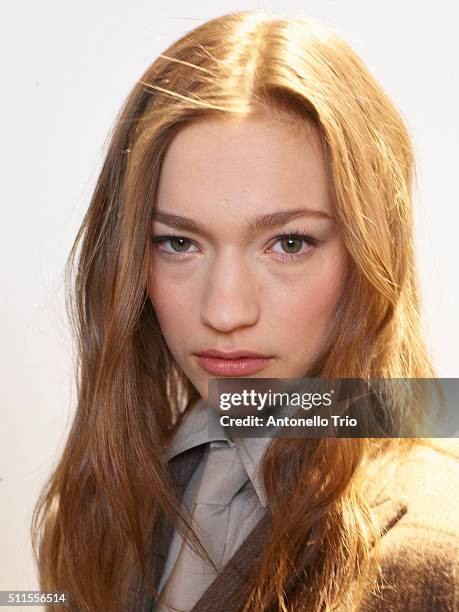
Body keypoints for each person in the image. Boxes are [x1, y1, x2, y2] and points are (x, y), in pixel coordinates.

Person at [31, 9, 459, 612]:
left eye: (289, 243)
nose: (225, 310)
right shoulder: (110, 500)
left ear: (369, 253)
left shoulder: (425, 552)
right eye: (178, 243)